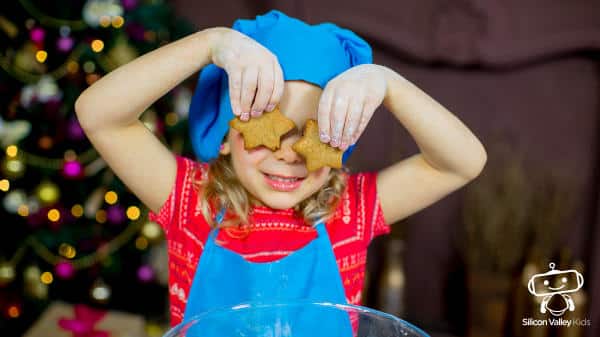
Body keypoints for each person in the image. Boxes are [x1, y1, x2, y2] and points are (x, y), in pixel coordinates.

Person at [75, 9, 487, 330]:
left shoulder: (350, 208)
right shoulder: (190, 199)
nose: (290, 155)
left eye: (319, 133)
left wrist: (387, 83)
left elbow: (463, 162)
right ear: (224, 132)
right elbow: (97, 115)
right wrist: (211, 44)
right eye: (266, 128)